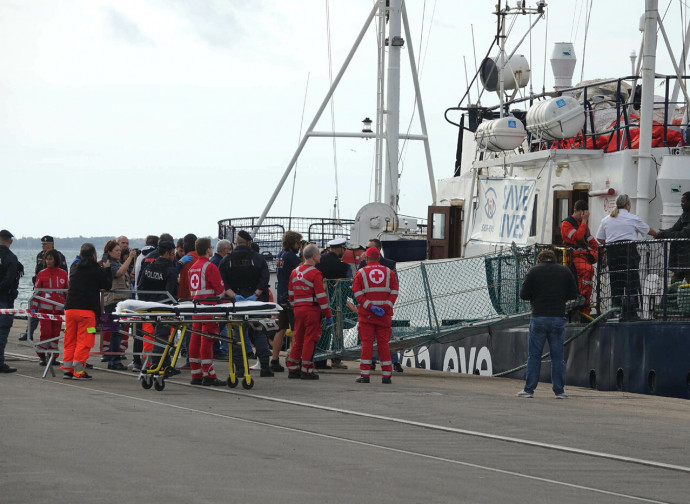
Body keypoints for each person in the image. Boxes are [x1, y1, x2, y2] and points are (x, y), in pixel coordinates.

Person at [517, 249, 578, 399]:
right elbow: (573, 294)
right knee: (557, 357)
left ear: (539, 260)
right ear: (554, 259)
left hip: (539, 317)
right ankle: (559, 391)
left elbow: (523, 295)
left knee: (534, 356)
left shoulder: (533, 271)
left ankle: (529, 390)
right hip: (557, 318)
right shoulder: (565, 271)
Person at [219, 230, 273, 377]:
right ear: (249, 243)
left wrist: (234, 296)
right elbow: (265, 279)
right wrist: (255, 295)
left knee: (238, 335)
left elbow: (222, 281)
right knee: (260, 332)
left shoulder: (227, 260)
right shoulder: (258, 258)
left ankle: (240, 369)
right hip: (257, 300)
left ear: (236, 243)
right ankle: (265, 368)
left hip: (236, 301)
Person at [596, 194, 657, 321]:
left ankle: (615, 311)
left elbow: (600, 238)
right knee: (632, 283)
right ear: (628, 205)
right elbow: (648, 230)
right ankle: (633, 311)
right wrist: (658, 235)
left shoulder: (606, 220)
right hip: (629, 254)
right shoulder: (633, 218)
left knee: (615, 283)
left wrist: (608, 246)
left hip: (614, 255)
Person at [62, 243, 113, 380]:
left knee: (70, 340)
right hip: (87, 311)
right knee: (84, 341)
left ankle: (68, 369)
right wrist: (107, 269)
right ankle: (79, 372)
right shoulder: (96, 269)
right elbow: (107, 285)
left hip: (70, 310)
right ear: (94, 255)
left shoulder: (74, 268)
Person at [353, 246, 398, 384]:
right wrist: (385, 307)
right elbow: (394, 291)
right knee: (383, 344)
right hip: (383, 315)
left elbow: (357, 293)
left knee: (367, 344)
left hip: (367, 315)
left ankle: (365, 375)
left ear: (366, 258)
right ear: (379, 258)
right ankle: (386, 376)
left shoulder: (360, 273)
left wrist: (370, 306)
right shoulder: (389, 272)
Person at [286, 244, 332, 380]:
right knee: (309, 339)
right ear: (313, 256)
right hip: (311, 310)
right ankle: (306, 369)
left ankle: (292, 367)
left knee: (298, 339)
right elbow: (321, 297)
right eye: (319, 254)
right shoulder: (315, 273)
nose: (320, 256)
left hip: (298, 309)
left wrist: (295, 307)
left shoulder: (294, 272)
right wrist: (328, 314)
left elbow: (290, 293)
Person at [188, 237, 227, 386]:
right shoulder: (210, 267)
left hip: (196, 308)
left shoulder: (193, 268)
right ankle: (209, 374)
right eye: (211, 247)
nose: (212, 249)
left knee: (195, 339)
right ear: (207, 249)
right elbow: (220, 290)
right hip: (209, 308)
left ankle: (196, 373)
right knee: (207, 340)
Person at [138, 240, 179, 369]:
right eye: (173, 253)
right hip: (163, 308)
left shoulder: (149, 267)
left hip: (149, 307)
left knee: (156, 335)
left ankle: (165, 364)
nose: (174, 255)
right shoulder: (170, 270)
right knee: (162, 336)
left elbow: (140, 287)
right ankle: (157, 364)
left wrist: (147, 304)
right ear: (169, 252)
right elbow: (169, 293)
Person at [314, 237, 352, 369]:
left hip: (317, 301)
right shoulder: (342, 266)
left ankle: (316, 359)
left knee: (320, 330)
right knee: (335, 332)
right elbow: (347, 286)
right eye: (344, 249)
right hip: (336, 304)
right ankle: (333, 360)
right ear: (340, 249)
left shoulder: (320, 261)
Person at [21, 235, 67, 342]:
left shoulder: (60, 256)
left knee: (53, 327)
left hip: (55, 294)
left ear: (52, 244)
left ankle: (50, 351)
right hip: (41, 288)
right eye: (42, 244)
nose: (43, 246)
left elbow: (64, 275)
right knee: (35, 311)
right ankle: (29, 332)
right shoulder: (40, 256)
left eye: (45, 244)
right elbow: (37, 270)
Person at [101, 240, 136, 370]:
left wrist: (133, 261)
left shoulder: (118, 263)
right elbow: (119, 273)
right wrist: (130, 258)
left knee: (117, 332)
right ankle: (114, 360)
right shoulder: (110, 264)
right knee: (115, 331)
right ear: (109, 252)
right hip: (114, 301)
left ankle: (113, 359)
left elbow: (128, 275)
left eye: (120, 250)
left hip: (120, 301)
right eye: (116, 250)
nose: (119, 252)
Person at [560, 200, 598, 316]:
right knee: (588, 270)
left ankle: (585, 302)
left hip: (583, 256)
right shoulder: (566, 224)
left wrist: (602, 251)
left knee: (588, 277)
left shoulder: (583, 226)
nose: (583, 217)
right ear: (575, 211)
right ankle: (580, 297)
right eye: (582, 214)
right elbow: (578, 237)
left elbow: (591, 241)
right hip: (572, 257)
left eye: (585, 215)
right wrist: (585, 221)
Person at [32, 249, 68, 366]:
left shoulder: (63, 273)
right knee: (46, 333)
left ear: (55, 260)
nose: (48, 261)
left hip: (58, 309)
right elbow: (36, 292)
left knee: (55, 334)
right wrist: (33, 307)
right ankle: (42, 354)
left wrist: (68, 306)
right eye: (46, 259)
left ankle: (52, 356)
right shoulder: (42, 274)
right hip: (45, 310)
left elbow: (67, 291)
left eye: (50, 259)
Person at [273, 230, 303, 372]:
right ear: (293, 243)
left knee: (281, 328)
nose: (299, 246)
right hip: (291, 296)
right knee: (296, 328)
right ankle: (295, 359)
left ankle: (274, 359)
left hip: (280, 295)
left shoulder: (280, 255)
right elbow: (302, 268)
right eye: (298, 243)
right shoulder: (292, 257)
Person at [0, 229, 23, 374]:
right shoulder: (11, 258)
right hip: (4, 300)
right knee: (2, 333)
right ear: (11, 241)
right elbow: (9, 281)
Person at [656, 191, 690, 283]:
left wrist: (665, 234)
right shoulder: (685, 215)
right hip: (681, 259)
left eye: (684, 202)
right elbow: (674, 228)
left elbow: (683, 234)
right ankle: (671, 297)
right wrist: (664, 233)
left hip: (687, 259)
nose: (681, 204)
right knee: (674, 284)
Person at [210, 239, 233, 361]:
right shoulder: (219, 263)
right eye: (229, 249)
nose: (231, 251)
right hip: (219, 300)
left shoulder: (214, 261)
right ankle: (218, 351)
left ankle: (219, 350)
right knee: (219, 326)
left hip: (215, 300)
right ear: (224, 250)